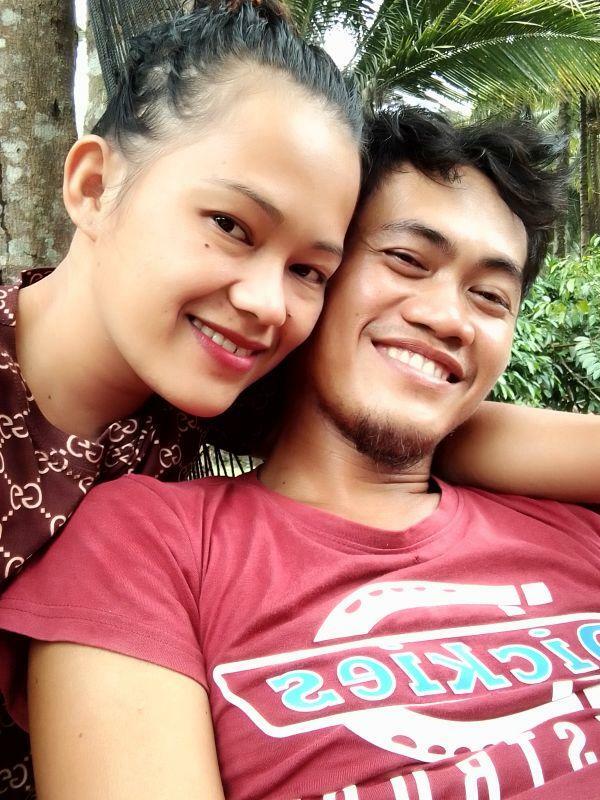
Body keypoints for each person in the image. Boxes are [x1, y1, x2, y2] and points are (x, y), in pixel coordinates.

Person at [0, 106, 599, 800]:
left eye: (491, 296)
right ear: (316, 279)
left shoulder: (573, 525)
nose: (448, 318)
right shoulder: (145, 541)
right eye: (407, 260)